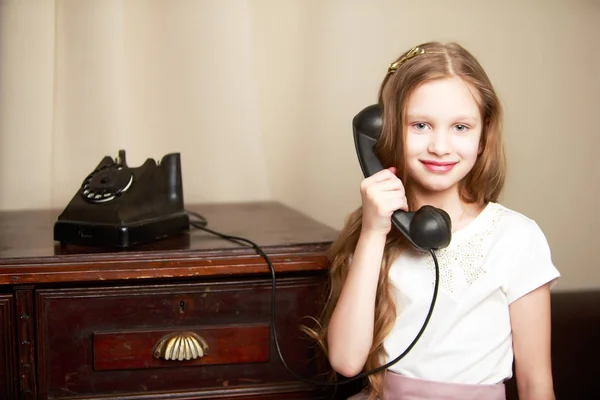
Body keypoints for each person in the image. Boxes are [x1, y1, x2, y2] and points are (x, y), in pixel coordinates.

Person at [309, 42, 560, 400]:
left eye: (460, 126)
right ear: (384, 129)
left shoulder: (517, 238)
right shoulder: (375, 235)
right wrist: (372, 232)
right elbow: (347, 362)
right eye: (421, 125)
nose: (441, 147)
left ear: (483, 133)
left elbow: (537, 385)